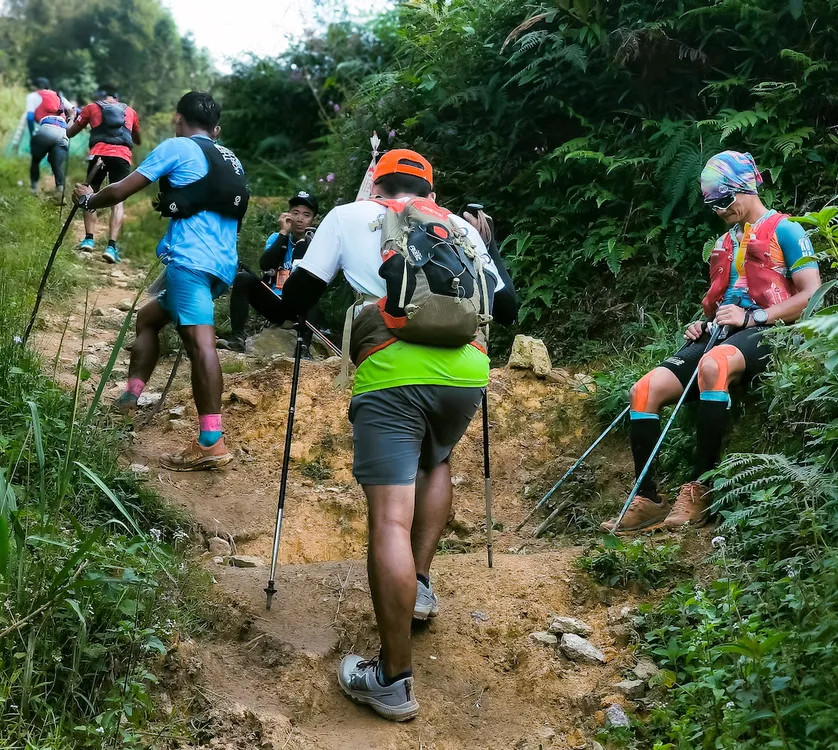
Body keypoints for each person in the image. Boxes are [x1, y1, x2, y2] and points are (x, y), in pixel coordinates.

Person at [276, 149, 517, 721]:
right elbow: (505, 307)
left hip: (391, 368)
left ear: (378, 184)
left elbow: (296, 301)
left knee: (388, 518)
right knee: (436, 462)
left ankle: (392, 679)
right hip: (466, 370)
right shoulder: (457, 225)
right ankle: (422, 583)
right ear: (429, 189)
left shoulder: (346, 215)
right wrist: (488, 240)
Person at [601, 150, 822, 534]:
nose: (719, 210)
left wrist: (754, 317)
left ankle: (701, 489)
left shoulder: (786, 230)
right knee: (643, 390)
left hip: (770, 330)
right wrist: (703, 323)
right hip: (723, 333)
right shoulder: (725, 241)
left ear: (746, 188)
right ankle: (647, 499)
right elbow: (726, 300)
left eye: (724, 200)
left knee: (713, 365)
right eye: (712, 204)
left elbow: (811, 296)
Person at [72, 91, 249, 472]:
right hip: (221, 264)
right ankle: (130, 398)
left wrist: (88, 201)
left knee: (200, 342)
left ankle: (210, 441)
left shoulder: (178, 147)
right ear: (214, 125)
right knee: (149, 318)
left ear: (176, 117)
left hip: (189, 262)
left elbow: (121, 189)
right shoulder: (229, 158)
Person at [216, 191, 321, 352]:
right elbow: (266, 265)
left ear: (313, 219)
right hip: (274, 300)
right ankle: (237, 338)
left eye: (306, 215)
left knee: (312, 292)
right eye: (295, 213)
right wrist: (284, 233)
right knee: (243, 278)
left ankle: (304, 348)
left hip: (299, 305)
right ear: (287, 215)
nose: (300, 219)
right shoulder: (277, 238)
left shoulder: (316, 242)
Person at [67, 87, 141, 263]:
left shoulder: (91, 107)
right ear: (117, 98)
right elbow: (137, 139)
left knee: (89, 193)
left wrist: (71, 117)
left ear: (100, 96)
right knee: (118, 201)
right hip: (122, 156)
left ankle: (89, 240)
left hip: (98, 155)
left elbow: (69, 133)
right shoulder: (130, 111)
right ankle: (111, 247)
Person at [28, 85, 73, 195]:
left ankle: (34, 190)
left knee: (36, 161)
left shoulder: (35, 96)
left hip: (47, 127)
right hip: (62, 131)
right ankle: (59, 192)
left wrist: (32, 133)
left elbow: (29, 117)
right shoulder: (59, 97)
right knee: (57, 164)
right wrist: (71, 118)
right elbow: (73, 109)